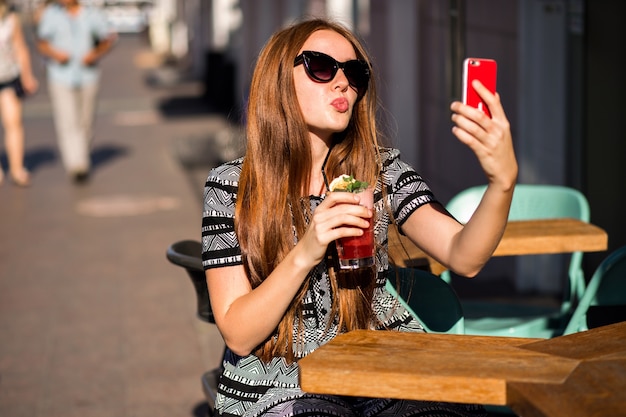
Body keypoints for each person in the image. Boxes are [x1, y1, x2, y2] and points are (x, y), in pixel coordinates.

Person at [201, 18, 517, 417]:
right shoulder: (232, 185)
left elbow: (464, 256)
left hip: (383, 365)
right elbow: (239, 334)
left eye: (354, 73)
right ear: (279, 79)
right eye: (321, 66)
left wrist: (502, 182)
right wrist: (308, 249)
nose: (342, 83)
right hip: (281, 381)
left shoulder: (381, 170)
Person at [36, 0, 116, 183]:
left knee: (85, 121)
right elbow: (42, 42)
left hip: (88, 75)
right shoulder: (51, 14)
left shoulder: (92, 14)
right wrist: (56, 54)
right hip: (60, 76)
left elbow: (108, 39)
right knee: (67, 120)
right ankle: (77, 165)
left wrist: (94, 55)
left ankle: (81, 154)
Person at [0, 0, 38, 186]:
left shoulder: (10, 19)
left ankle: (17, 168)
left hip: (8, 75)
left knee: (13, 122)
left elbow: (20, 47)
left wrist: (27, 75)